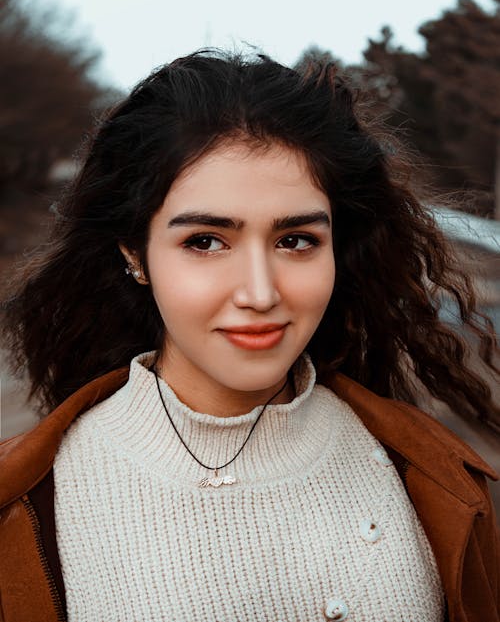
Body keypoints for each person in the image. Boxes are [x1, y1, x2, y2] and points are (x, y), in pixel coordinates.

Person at [0, 49, 498, 622]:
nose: (260, 293)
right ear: (135, 254)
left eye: (296, 241)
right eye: (206, 241)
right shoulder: (29, 505)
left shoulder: (436, 475)